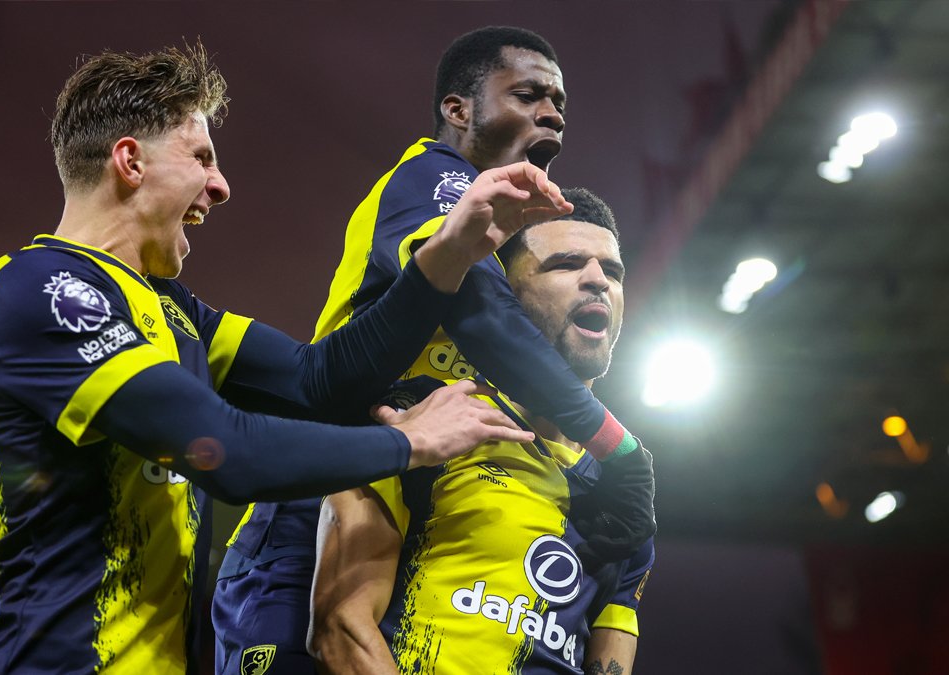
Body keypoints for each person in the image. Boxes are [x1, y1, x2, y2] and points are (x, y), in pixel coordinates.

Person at [0, 44, 574, 674]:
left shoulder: (175, 312)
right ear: (130, 161)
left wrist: (447, 256)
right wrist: (409, 443)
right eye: (201, 158)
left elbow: (320, 382)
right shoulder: (41, 288)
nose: (220, 186)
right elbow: (225, 453)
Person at [213, 26, 654, 675]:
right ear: (458, 109)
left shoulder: (496, 225)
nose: (553, 112)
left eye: (559, 100)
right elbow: (481, 312)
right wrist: (617, 446)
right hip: (312, 504)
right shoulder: (433, 177)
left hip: (388, 482)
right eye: (528, 94)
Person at [309, 188, 654, 674]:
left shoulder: (624, 500)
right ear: (505, 291)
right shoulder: (424, 418)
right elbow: (341, 629)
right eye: (566, 264)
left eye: (613, 272)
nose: (598, 280)